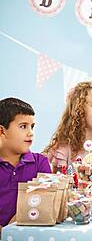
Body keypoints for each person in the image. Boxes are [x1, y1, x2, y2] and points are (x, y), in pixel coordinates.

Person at [0, 98, 51, 229]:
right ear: (2, 131)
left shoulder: (40, 163)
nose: (30, 133)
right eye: (23, 126)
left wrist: (8, 230)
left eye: (32, 126)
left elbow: (43, 204)